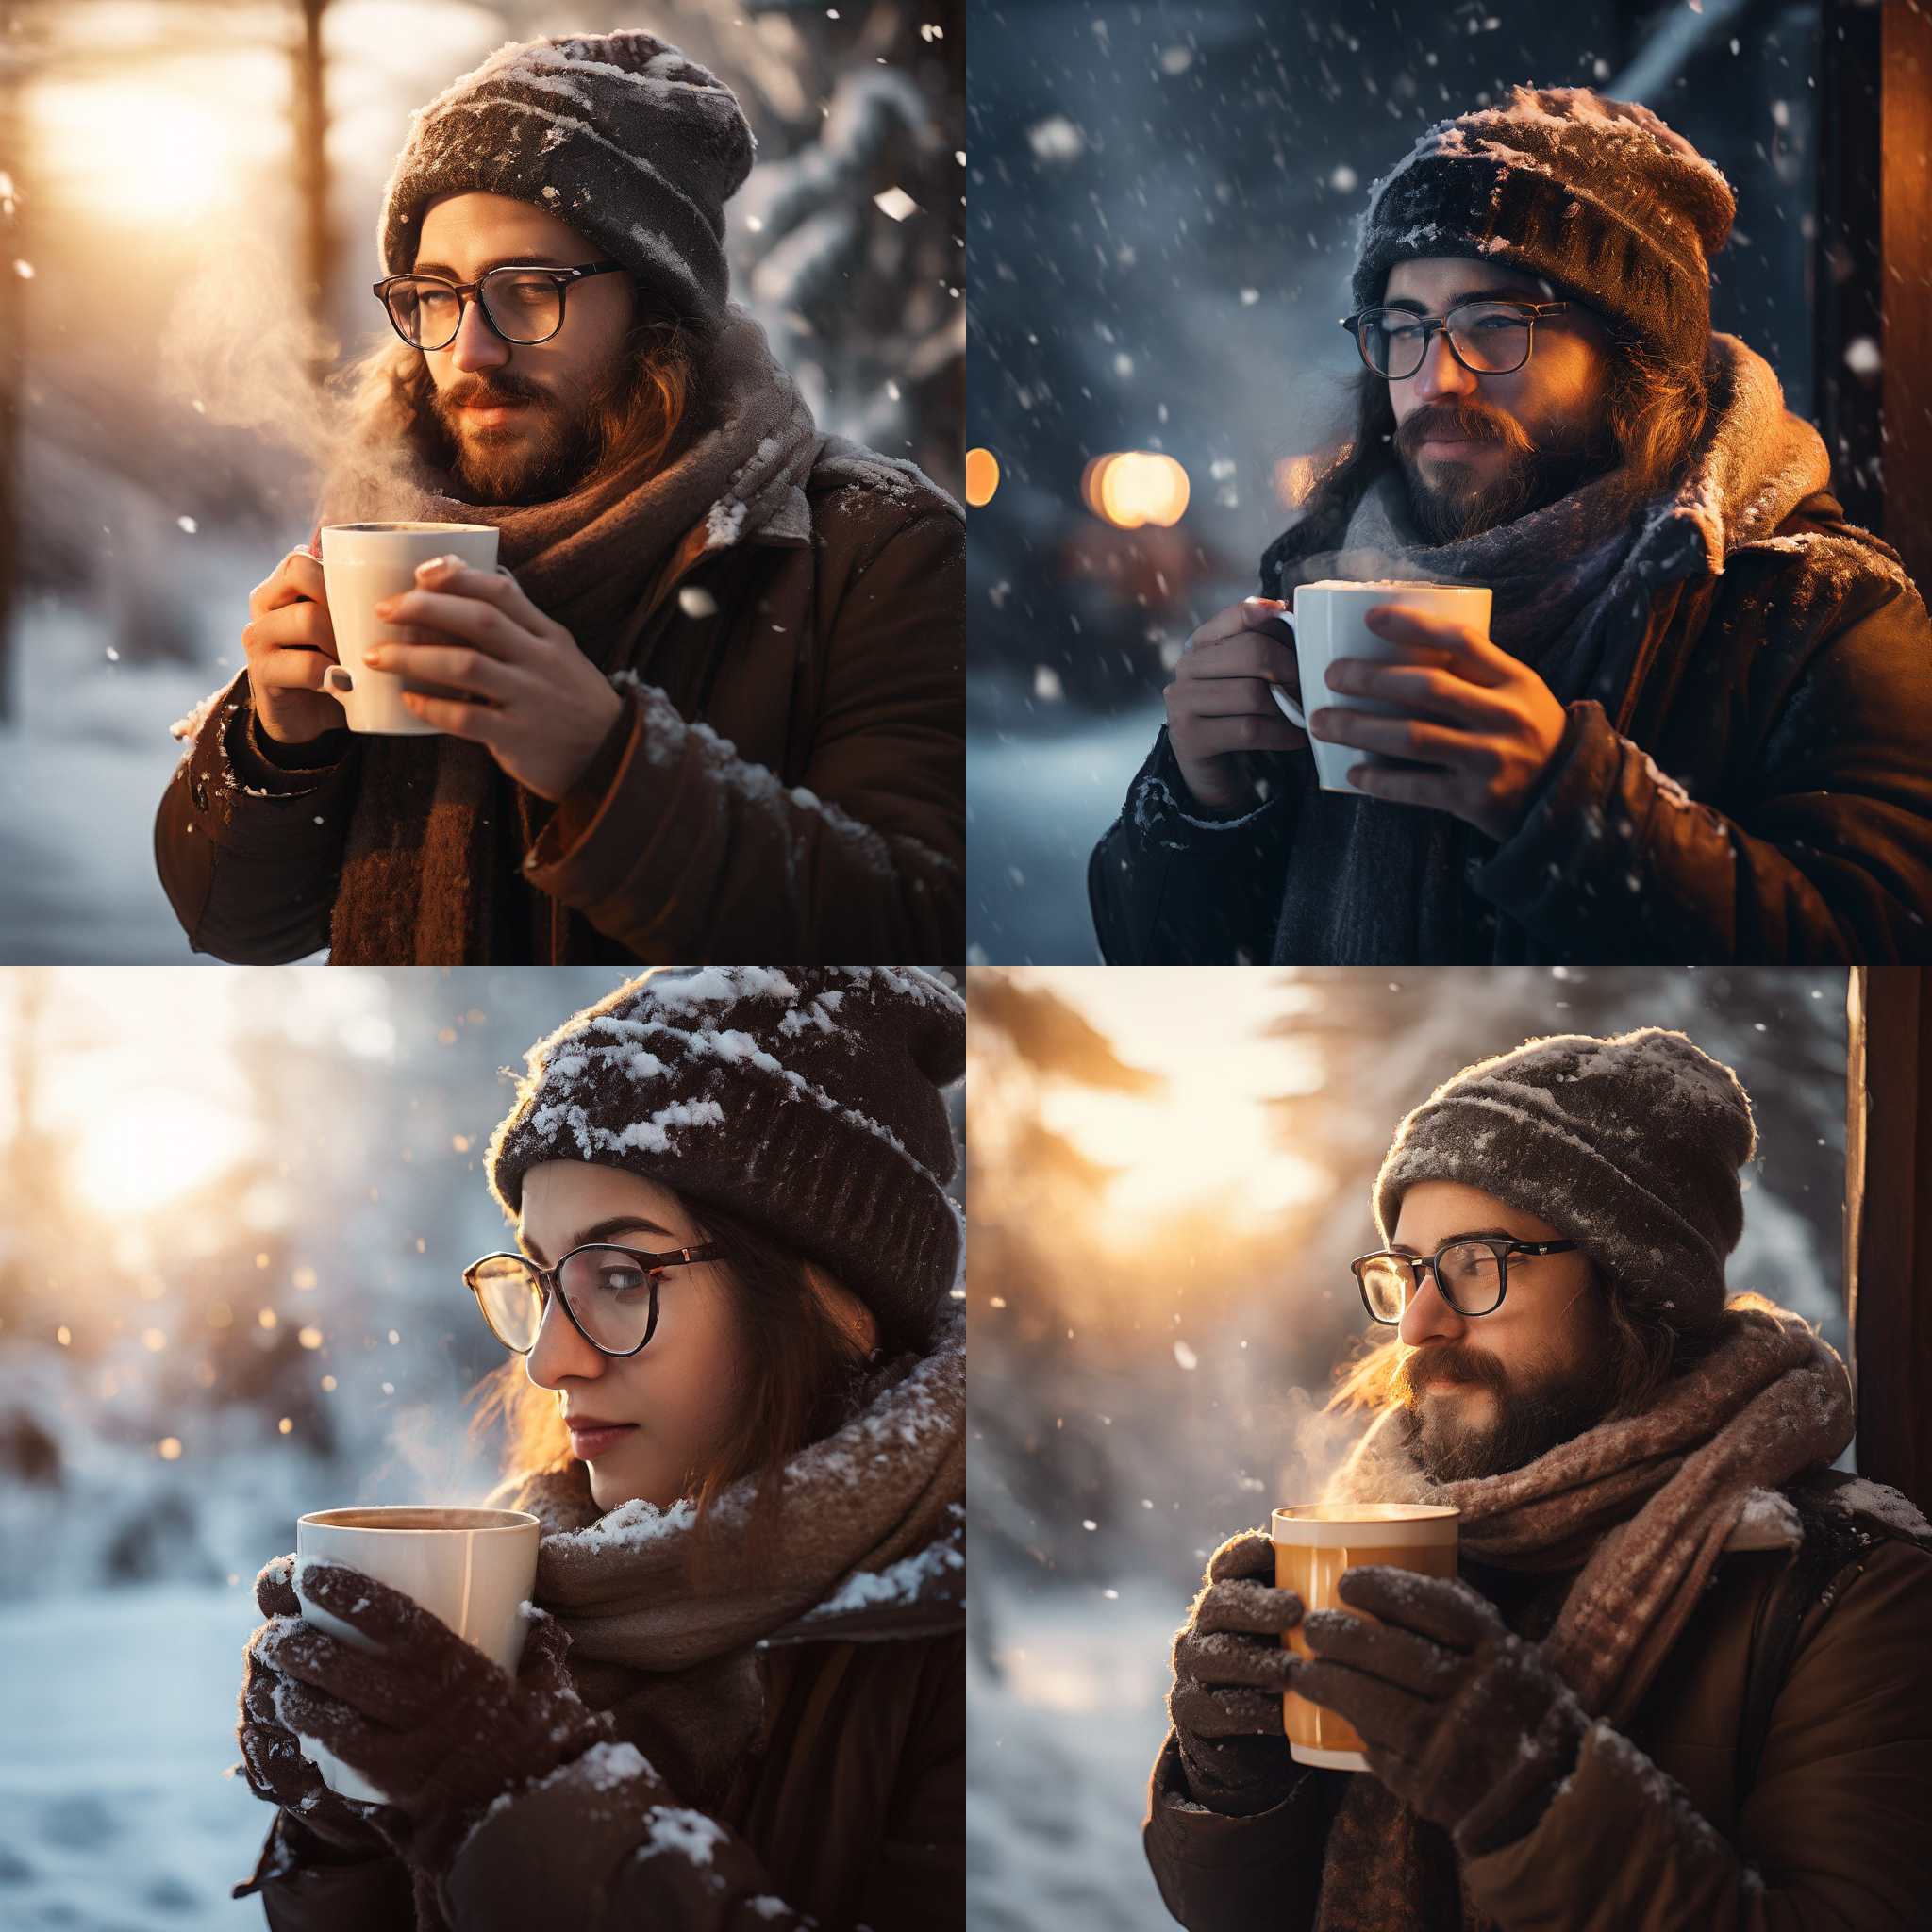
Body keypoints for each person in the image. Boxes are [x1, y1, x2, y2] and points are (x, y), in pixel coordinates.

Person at [157, 31, 964, 966]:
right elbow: (232, 927)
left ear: (659, 306)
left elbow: (922, 933)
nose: (470, 351)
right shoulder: (384, 523)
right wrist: (272, 746)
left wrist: (607, 762)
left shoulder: (872, 551)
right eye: (433, 295)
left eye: (528, 290)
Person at [1091, 86, 1932, 965]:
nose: (1436, 380)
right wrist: (1196, 798)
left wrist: (1564, 805)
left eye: (1494, 325)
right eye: (1402, 329)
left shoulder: (1817, 614)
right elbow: (1165, 963)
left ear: (1638, 361)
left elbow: (1882, 961)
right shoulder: (1319, 581)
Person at [1145, 1027, 1932, 1931]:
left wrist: (1532, 1791)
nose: (1418, 1327)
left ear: (1632, 1284)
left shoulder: (1849, 1587)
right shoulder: (1405, 1529)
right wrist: (1233, 1789)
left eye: (1477, 1266)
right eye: (1406, 1275)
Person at [230, 965, 966, 1931]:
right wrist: (349, 1829)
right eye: (539, 1281)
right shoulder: (534, 1592)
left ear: (831, 1300)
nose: (547, 1360)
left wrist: (521, 1805)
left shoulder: (945, 1641)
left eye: (619, 1274)